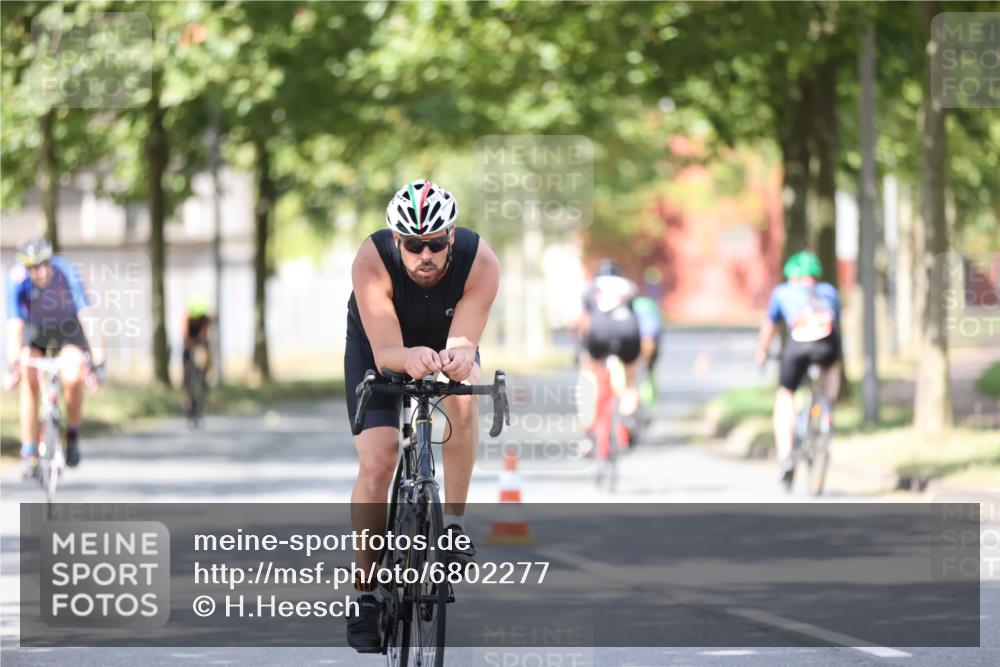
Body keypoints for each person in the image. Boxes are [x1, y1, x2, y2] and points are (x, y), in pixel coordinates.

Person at [343, 179, 500, 652]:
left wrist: (458, 358)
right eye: (413, 245)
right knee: (379, 459)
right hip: (378, 346)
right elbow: (389, 349)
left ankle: (451, 526)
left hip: (445, 336)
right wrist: (405, 356)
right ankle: (366, 593)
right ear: (397, 241)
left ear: (451, 237)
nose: (424, 255)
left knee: (464, 399)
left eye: (435, 243)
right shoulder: (371, 260)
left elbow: (463, 343)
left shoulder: (481, 262)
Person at [5, 238, 101, 474]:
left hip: (67, 328)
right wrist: (13, 364)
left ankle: (73, 434)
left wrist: (98, 358)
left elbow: (87, 314)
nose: (39, 272)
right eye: (32, 267)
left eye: (44, 264)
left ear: (51, 261)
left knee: (72, 375)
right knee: (29, 372)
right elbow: (14, 326)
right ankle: (29, 451)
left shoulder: (67, 271)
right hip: (35, 328)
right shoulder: (16, 279)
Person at [754, 251, 842, 487]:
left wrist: (762, 352)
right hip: (827, 345)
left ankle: (785, 455)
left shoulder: (782, 292)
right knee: (831, 367)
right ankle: (827, 410)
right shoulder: (830, 292)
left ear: (791, 276)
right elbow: (837, 325)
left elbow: (769, 328)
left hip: (799, 347)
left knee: (785, 395)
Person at [577, 259, 642, 449]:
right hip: (628, 331)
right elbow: (637, 315)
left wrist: (582, 350)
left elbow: (584, 321)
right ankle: (628, 417)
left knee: (588, 377)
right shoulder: (630, 287)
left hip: (600, 332)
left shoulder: (591, 288)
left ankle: (588, 432)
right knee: (631, 379)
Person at [631, 292, 664, 410]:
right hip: (650, 339)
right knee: (649, 372)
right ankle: (649, 404)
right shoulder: (651, 306)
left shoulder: (633, 304)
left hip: (638, 339)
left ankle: (637, 403)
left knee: (632, 375)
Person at [181, 292, 212, 413]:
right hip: (189, 343)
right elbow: (184, 335)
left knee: (206, 360)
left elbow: (205, 335)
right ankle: (186, 396)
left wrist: (203, 345)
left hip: (201, 344)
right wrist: (189, 345)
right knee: (186, 369)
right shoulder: (186, 317)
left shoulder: (205, 319)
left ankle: (204, 381)